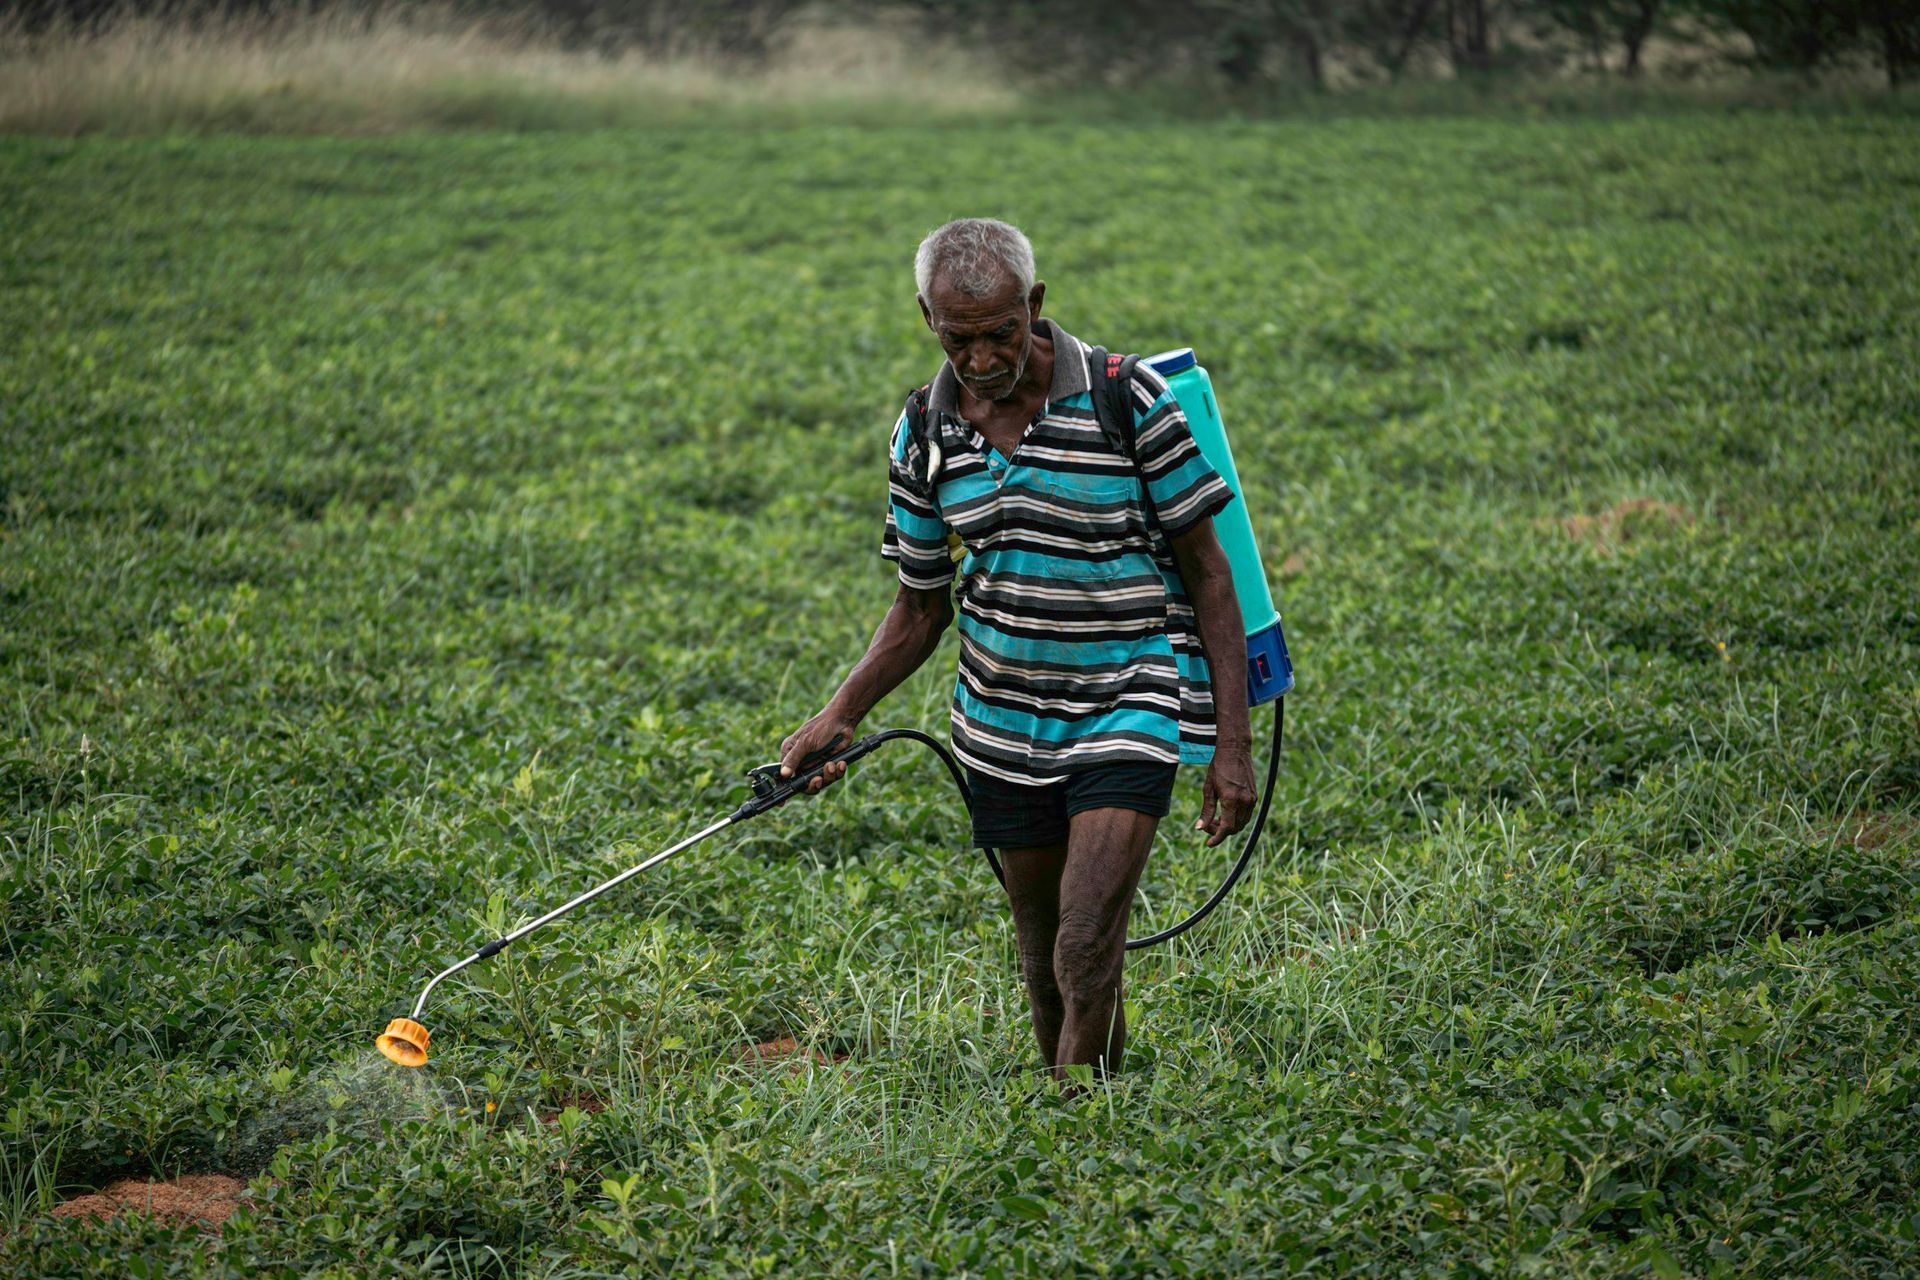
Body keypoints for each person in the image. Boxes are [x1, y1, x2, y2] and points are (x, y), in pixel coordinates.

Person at [780, 217, 1255, 1083]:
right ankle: (1092, 1134)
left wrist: (1231, 745)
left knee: (1083, 937)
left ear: (1034, 305)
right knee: (1046, 961)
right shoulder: (923, 431)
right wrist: (837, 715)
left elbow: (1209, 575)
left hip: (1127, 701)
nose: (984, 355)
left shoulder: (1129, 397)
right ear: (926, 316)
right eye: (959, 337)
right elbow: (920, 609)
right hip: (998, 725)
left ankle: (1068, 1132)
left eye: (1001, 330)